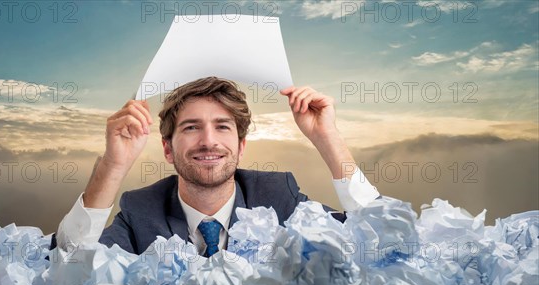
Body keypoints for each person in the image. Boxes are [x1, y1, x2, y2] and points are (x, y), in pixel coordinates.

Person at [51, 77, 379, 256]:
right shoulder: (142, 212)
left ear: (241, 146)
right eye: (191, 127)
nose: (209, 141)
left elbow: (378, 238)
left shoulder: (279, 198)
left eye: (223, 127)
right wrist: (112, 165)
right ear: (167, 148)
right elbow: (67, 265)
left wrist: (328, 138)